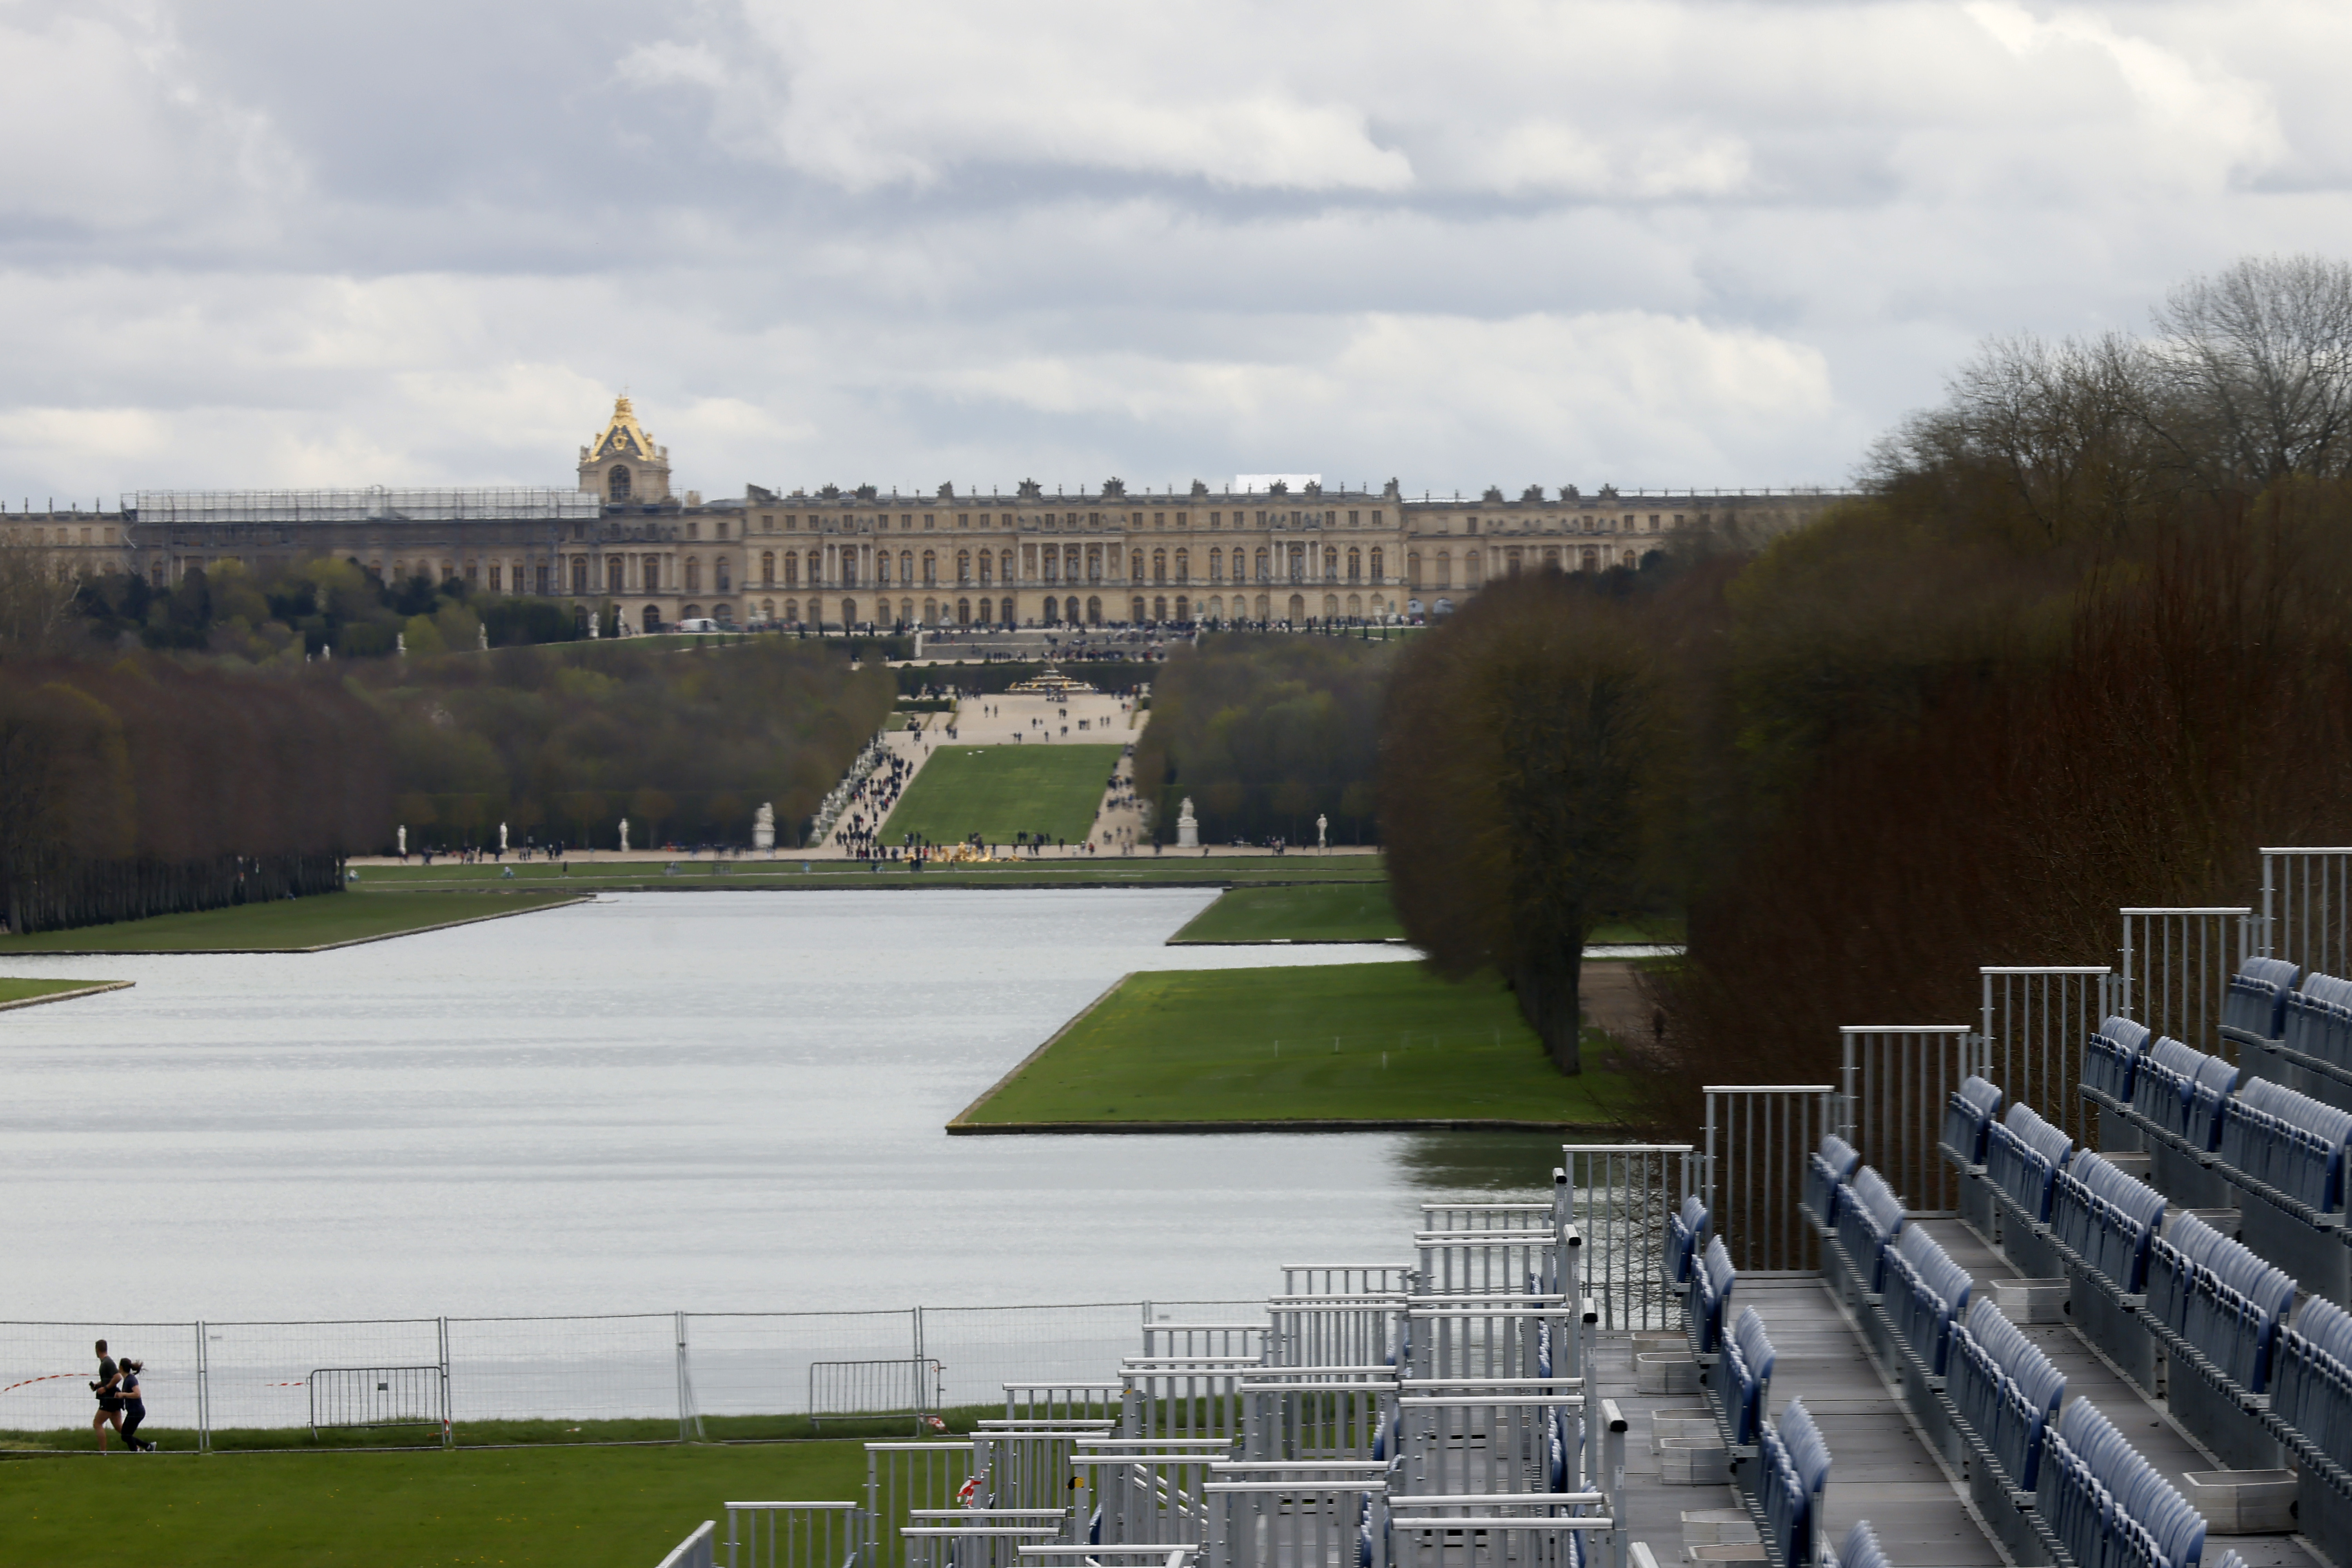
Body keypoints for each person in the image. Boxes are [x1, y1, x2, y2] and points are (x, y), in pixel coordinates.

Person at [90, 1339, 123, 1450]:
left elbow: (118, 1377)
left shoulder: (107, 1363)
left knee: (97, 1424)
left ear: (97, 1350)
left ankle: (103, 1452)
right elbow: (108, 1379)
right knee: (120, 1428)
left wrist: (105, 1388)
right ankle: (141, 1447)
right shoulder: (106, 1363)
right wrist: (98, 1385)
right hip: (114, 1398)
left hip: (109, 1399)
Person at [116, 1358, 154, 1451]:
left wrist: (123, 1394)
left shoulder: (131, 1379)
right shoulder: (127, 1380)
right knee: (126, 1435)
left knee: (126, 1435)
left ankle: (140, 1450)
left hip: (137, 1412)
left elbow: (137, 1394)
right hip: (134, 1412)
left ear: (121, 1368)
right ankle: (148, 1447)